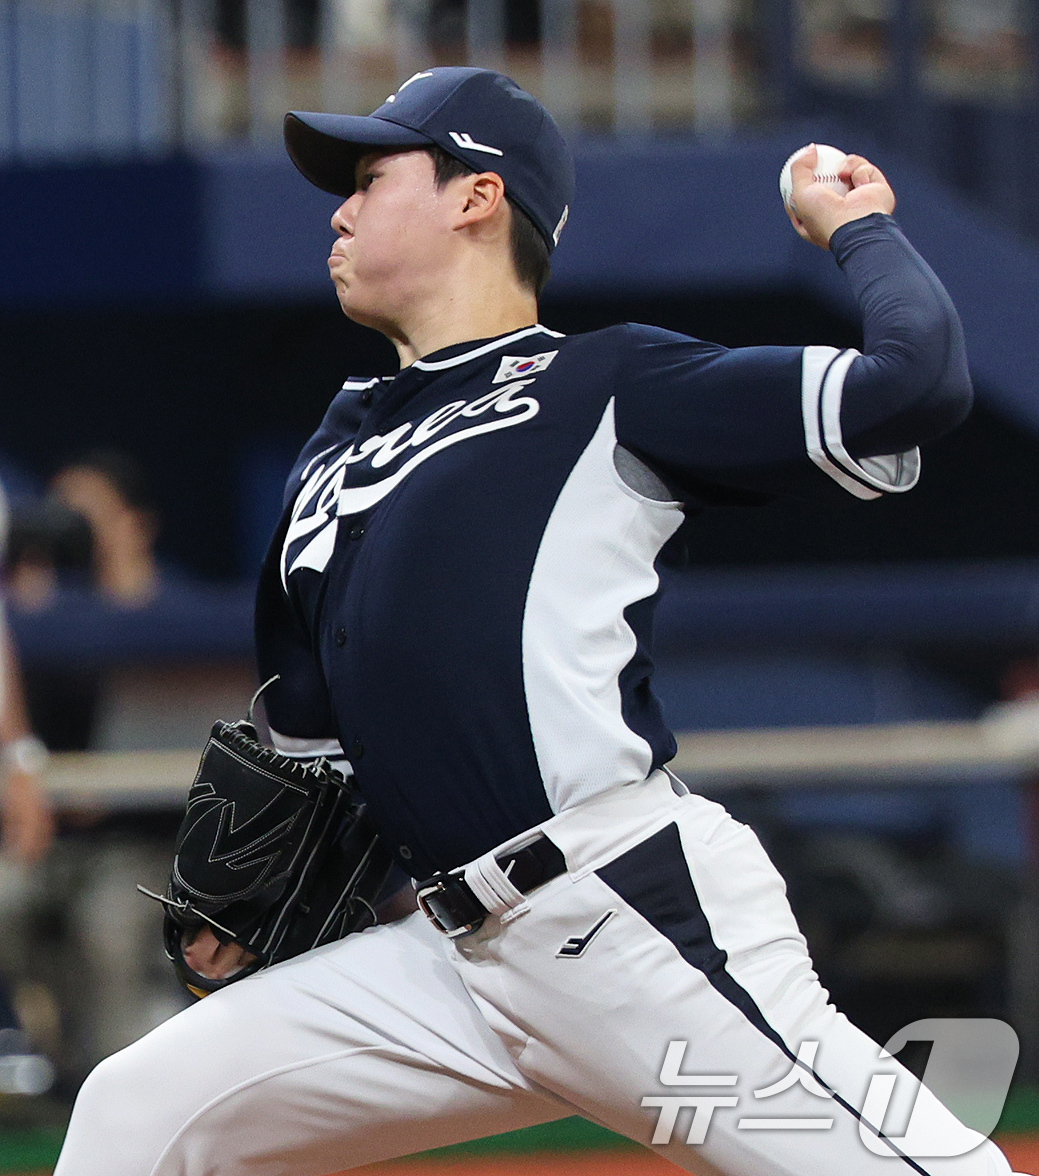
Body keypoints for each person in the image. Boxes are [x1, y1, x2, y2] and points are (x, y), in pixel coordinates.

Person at [54, 68, 1015, 1175]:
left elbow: (914, 382)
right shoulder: (340, 445)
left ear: (475, 197)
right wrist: (269, 891)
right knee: (138, 1112)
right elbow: (309, 729)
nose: (339, 208)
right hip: (445, 968)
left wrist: (859, 229)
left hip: (623, 928)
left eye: (371, 177)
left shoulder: (605, 382)